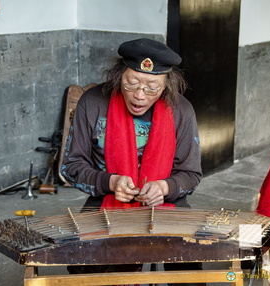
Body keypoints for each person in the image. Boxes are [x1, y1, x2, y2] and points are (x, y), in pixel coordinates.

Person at [61, 38, 204, 285]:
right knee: (81, 263)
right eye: (132, 83)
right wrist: (110, 181)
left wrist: (165, 187)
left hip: (168, 201)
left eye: (151, 87)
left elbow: (191, 173)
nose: (139, 95)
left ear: (166, 86)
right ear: (118, 77)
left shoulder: (181, 109)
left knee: (190, 267)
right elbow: (71, 167)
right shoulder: (93, 102)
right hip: (106, 195)